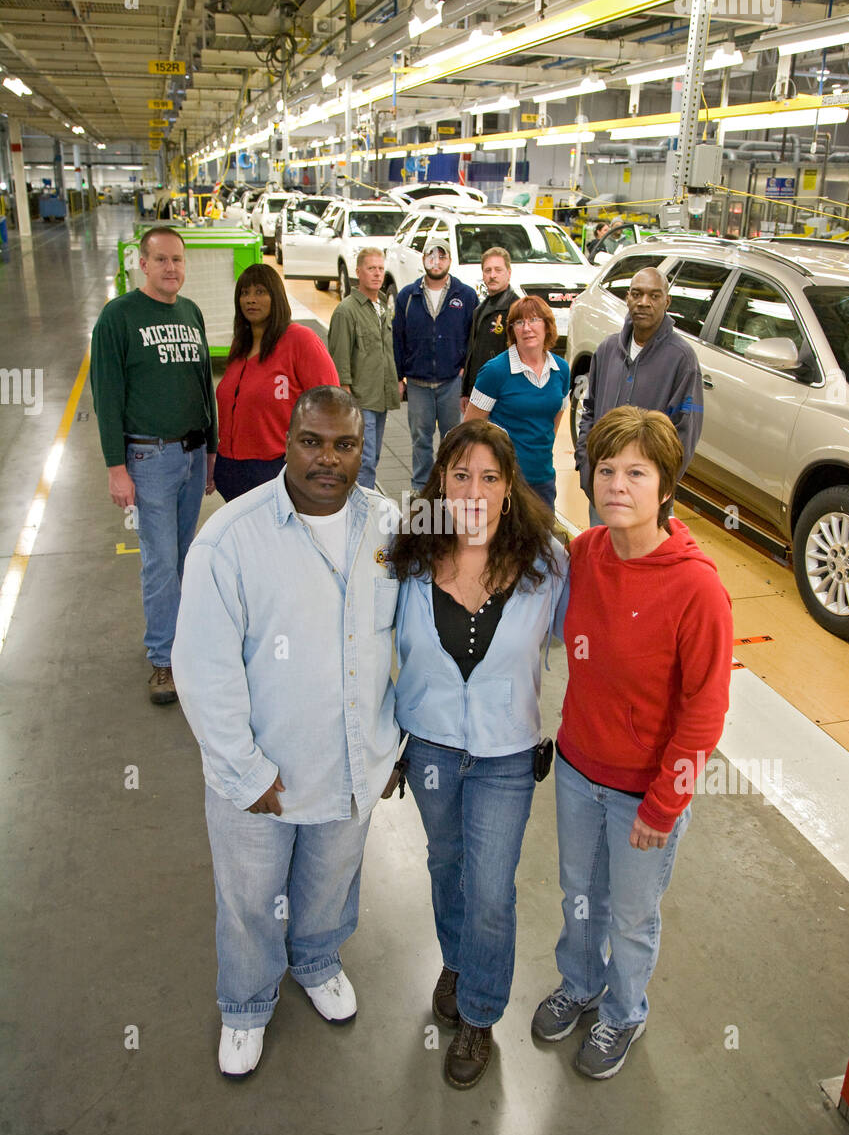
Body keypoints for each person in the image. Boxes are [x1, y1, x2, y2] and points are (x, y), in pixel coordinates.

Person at [171, 387, 401, 1080]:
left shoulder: (390, 526)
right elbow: (202, 667)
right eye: (313, 442)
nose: (328, 459)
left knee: (331, 880)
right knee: (250, 896)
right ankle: (244, 1003)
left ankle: (318, 961)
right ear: (288, 440)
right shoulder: (231, 538)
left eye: (346, 445)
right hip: (263, 772)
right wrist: (246, 771)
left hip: (354, 762)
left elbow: (413, 641)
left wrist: (395, 745)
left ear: (365, 449)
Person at [533, 405, 732, 1078]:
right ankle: (580, 982)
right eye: (606, 469)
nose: (616, 484)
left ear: (665, 486)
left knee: (632, 918)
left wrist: (663, 805)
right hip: (577, 769)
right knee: (578, 894)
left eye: (636, 472)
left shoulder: (696, 587)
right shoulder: (586, 553)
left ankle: (623, 1014)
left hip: (643, 792)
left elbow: (705, 710)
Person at [390, 420, 568, 1089]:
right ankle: (458, 958)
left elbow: (594, 639)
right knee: (446, 864)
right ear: (440, 481)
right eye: (460, 474)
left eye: (489, 478)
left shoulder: (548, 563)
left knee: (491, 888)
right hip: (430, 746)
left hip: (506, 756)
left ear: (508, 489)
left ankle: (480, 1014)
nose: (473, 489)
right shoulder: (406, 557)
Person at [90, 226, 218, 706]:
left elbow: (204, 385)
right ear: (142, 264)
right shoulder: (117, 318)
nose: (172, 269)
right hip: (148, 457)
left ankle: (182, 641)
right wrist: (114, 466)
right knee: (161, 560)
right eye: (162, 260)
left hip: (190, 453)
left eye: (178, 261)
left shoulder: (191, 313)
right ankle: (163, 660)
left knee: (186, 555)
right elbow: (106, 396)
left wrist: (211, 449)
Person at [575, 266, 703, 525]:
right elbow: (589, 410)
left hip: (648, 499)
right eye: (637, 294)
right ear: (628, 297)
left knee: (644, 563)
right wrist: (586, 466)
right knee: (603, 559)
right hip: (603, 490)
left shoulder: (681, 359)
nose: (644, 302)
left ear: (667, 302)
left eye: (654, 296)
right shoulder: (608, 350)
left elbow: (685, 434)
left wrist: (658, 489)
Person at [214, 263, 339, 502]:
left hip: (276, 469)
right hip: (231, 470)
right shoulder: (240, 346)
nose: (251, 299)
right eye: (244, 292)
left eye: (260, 292)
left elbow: (331, 406)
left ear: (277, 297)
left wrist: (313, 457)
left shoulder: (300, 341)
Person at [465, 295, 570, 511]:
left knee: (542, 543)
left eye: (534, 320)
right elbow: (470, 429)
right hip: (504, 480)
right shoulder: (495, 371)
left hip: (543, 480)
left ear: (547, 326)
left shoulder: (562, 370)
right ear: (512, 330)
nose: (526, 328)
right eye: (519, 322)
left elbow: (552, 424)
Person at [392, 234, 478, 493]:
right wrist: (399, 376)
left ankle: (451, 487)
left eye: (442, 256)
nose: (436, 261)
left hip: (452, 382)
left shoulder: (465, 295)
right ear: (423, 259)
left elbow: (473, 336)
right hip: (418, 384)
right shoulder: (408, 296)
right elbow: (397, 338)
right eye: (431, 255)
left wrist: (466, 369)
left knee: (453, 439)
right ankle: (421, 489)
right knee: (421, 439)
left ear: (450, 260)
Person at [327, 247, 400, 489]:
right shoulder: (346, 311)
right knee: (364, 460)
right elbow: (339, 359)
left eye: (380, 269)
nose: (377, 274)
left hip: (380, 398)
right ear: (358, 272)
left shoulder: (381, 307)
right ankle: (363, 508)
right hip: (360, 400)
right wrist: (346, 396)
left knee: (374, 457)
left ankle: (361, 498)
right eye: (371, 269)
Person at [460, 246, 519, 406]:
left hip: (504, 394)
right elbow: (472, 352)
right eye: (487, 270)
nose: (492, 275)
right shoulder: (480, 309)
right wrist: (465, 391)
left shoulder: (516, 309)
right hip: (479, 391)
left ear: (509, 272)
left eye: (498, 270)